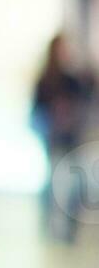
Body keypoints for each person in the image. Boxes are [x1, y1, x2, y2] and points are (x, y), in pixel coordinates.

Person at [31, 33, 95, 244]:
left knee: (75, 184)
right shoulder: (45, 80)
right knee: (53, 183)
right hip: (53, 139)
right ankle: (51, 225)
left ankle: (69, 229)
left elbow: (84, 108)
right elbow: (36, 112)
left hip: (71, 141)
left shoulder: (74, 80)